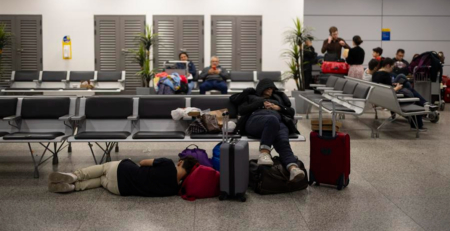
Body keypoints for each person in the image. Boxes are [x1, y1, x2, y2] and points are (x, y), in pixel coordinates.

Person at [229, 79, 305, 182]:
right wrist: (261, 104)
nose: (270, 91)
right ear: (261, 88)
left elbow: (291, 111)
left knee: (282, 140)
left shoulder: (277, 98)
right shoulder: (250, 97)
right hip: (255, 121)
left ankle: (293, 168)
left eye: (272, 89)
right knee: (272, 120)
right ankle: (264, 153)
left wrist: (278, 107)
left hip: (278, 122)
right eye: (268, 88)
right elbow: (242, 110)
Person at [48, 156, 199, 196]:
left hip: (122, 171)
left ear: (180, 163)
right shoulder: (174, 190)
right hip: (119, 189)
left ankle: (75, 176)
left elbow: (143, 162)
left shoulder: (167, 164)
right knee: (101, 181)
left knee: (103, 168)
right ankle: (75, 187)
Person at [372, 58, 427, 131]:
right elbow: (389, 91)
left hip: (382, 99)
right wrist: (397, 88)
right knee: (414, 98)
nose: (392, 69)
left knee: (406, 84)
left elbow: (384, 87)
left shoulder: (375, 74)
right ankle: (418, 124)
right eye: (392, 67)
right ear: (388, 65)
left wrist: (393, 85)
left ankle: (425, 103)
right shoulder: (386, 75)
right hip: (391, 100)